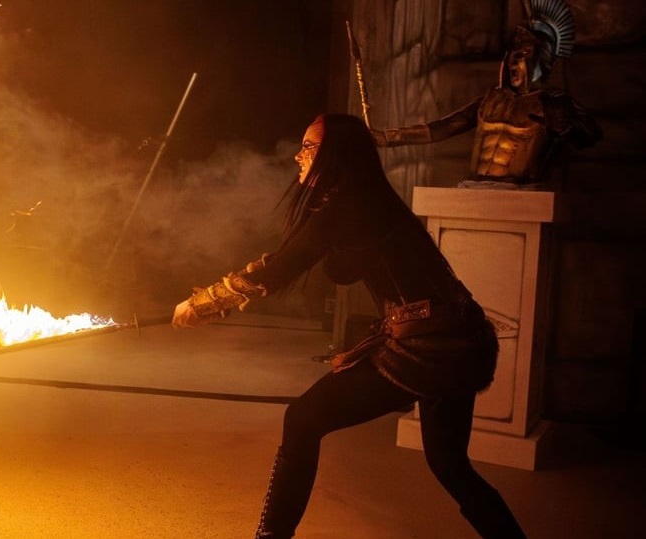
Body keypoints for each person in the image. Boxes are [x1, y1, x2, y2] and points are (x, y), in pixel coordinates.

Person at [172, 114, 526, 538]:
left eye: (309, 147)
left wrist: (203, 303)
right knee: (450, 465)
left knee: (303, 419)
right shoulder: (368, 200)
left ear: (336, 154)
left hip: (429, 350)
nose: (298, 157)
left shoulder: (350, 204)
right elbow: (342, 267)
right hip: (460, 339)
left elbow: (277, 270)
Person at [370, 0, 598, 189]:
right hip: (475, 188)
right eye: (513, 54)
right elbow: (444, 127)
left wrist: (566, 128)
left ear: (542, 62)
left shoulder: (552, 104)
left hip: (522, 193)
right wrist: (388, 138)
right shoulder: (491, 100)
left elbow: (590, 135)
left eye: (524, 54)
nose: (513, 60)